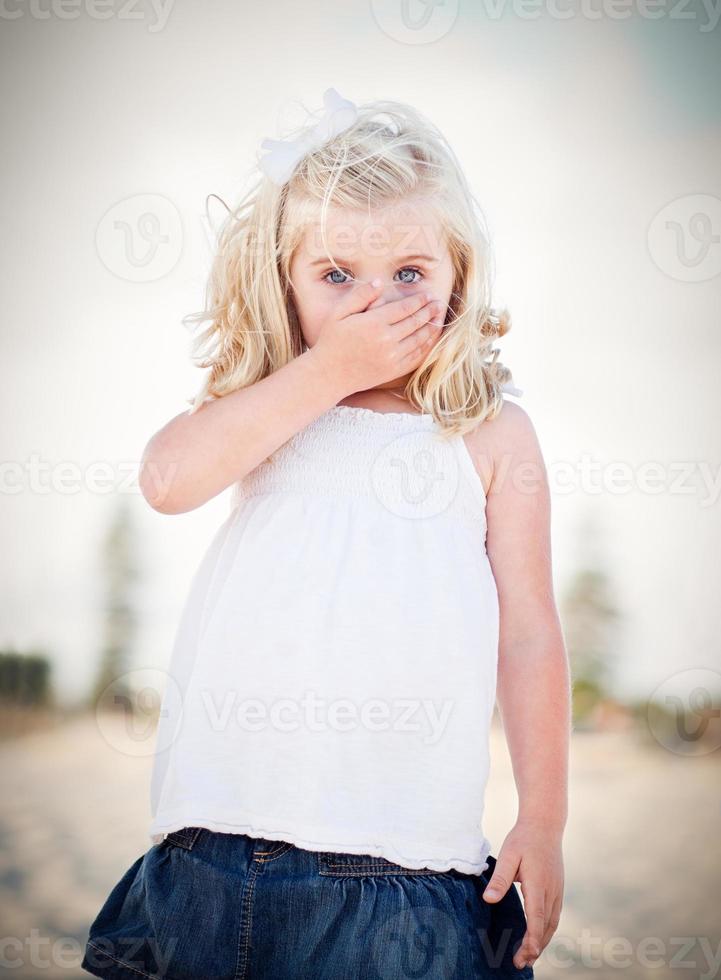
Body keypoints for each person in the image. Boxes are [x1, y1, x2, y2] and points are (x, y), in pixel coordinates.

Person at [81, 87, 570, 980]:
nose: (372, 307)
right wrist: (323, 374)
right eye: (337, 276)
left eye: (409, 275)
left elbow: (531, 631)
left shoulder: (488, 431)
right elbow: (166, 481)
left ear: (459, 277)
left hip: (401, 867)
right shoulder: (267, 410)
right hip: (213, 853)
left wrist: (542, 817)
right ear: (284, 280)